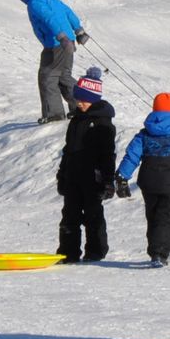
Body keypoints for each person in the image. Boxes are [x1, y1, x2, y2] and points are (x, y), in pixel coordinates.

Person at [115, 91, 170, 266]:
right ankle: (160, 253)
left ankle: (155, 250)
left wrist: (122, 176)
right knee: (167, 217)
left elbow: (132, 156)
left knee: (153, 216)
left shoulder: (144, 135)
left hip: (149, 182)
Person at [13, 0, 85, 124]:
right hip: (66, 41)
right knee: (63, 76)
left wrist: (61, 37)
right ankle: (80, 106)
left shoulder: (36, 2)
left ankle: (54, 113)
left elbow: (49, 20)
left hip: (56, 44)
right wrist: (78, 30)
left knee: (47, 77)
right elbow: (67, 12)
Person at [57, 69, 117, 262]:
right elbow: (68, 150)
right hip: (73, 177)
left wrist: (108, 180)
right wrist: (62, 174)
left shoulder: (103, 124)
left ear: (94, 99)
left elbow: (107, 155)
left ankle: (95, 251)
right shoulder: (75, 121)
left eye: (84, 100)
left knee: (93, 215)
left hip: (93, 179)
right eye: (78, 99)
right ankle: (68, 252)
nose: (79, 103)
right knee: (69, 216)